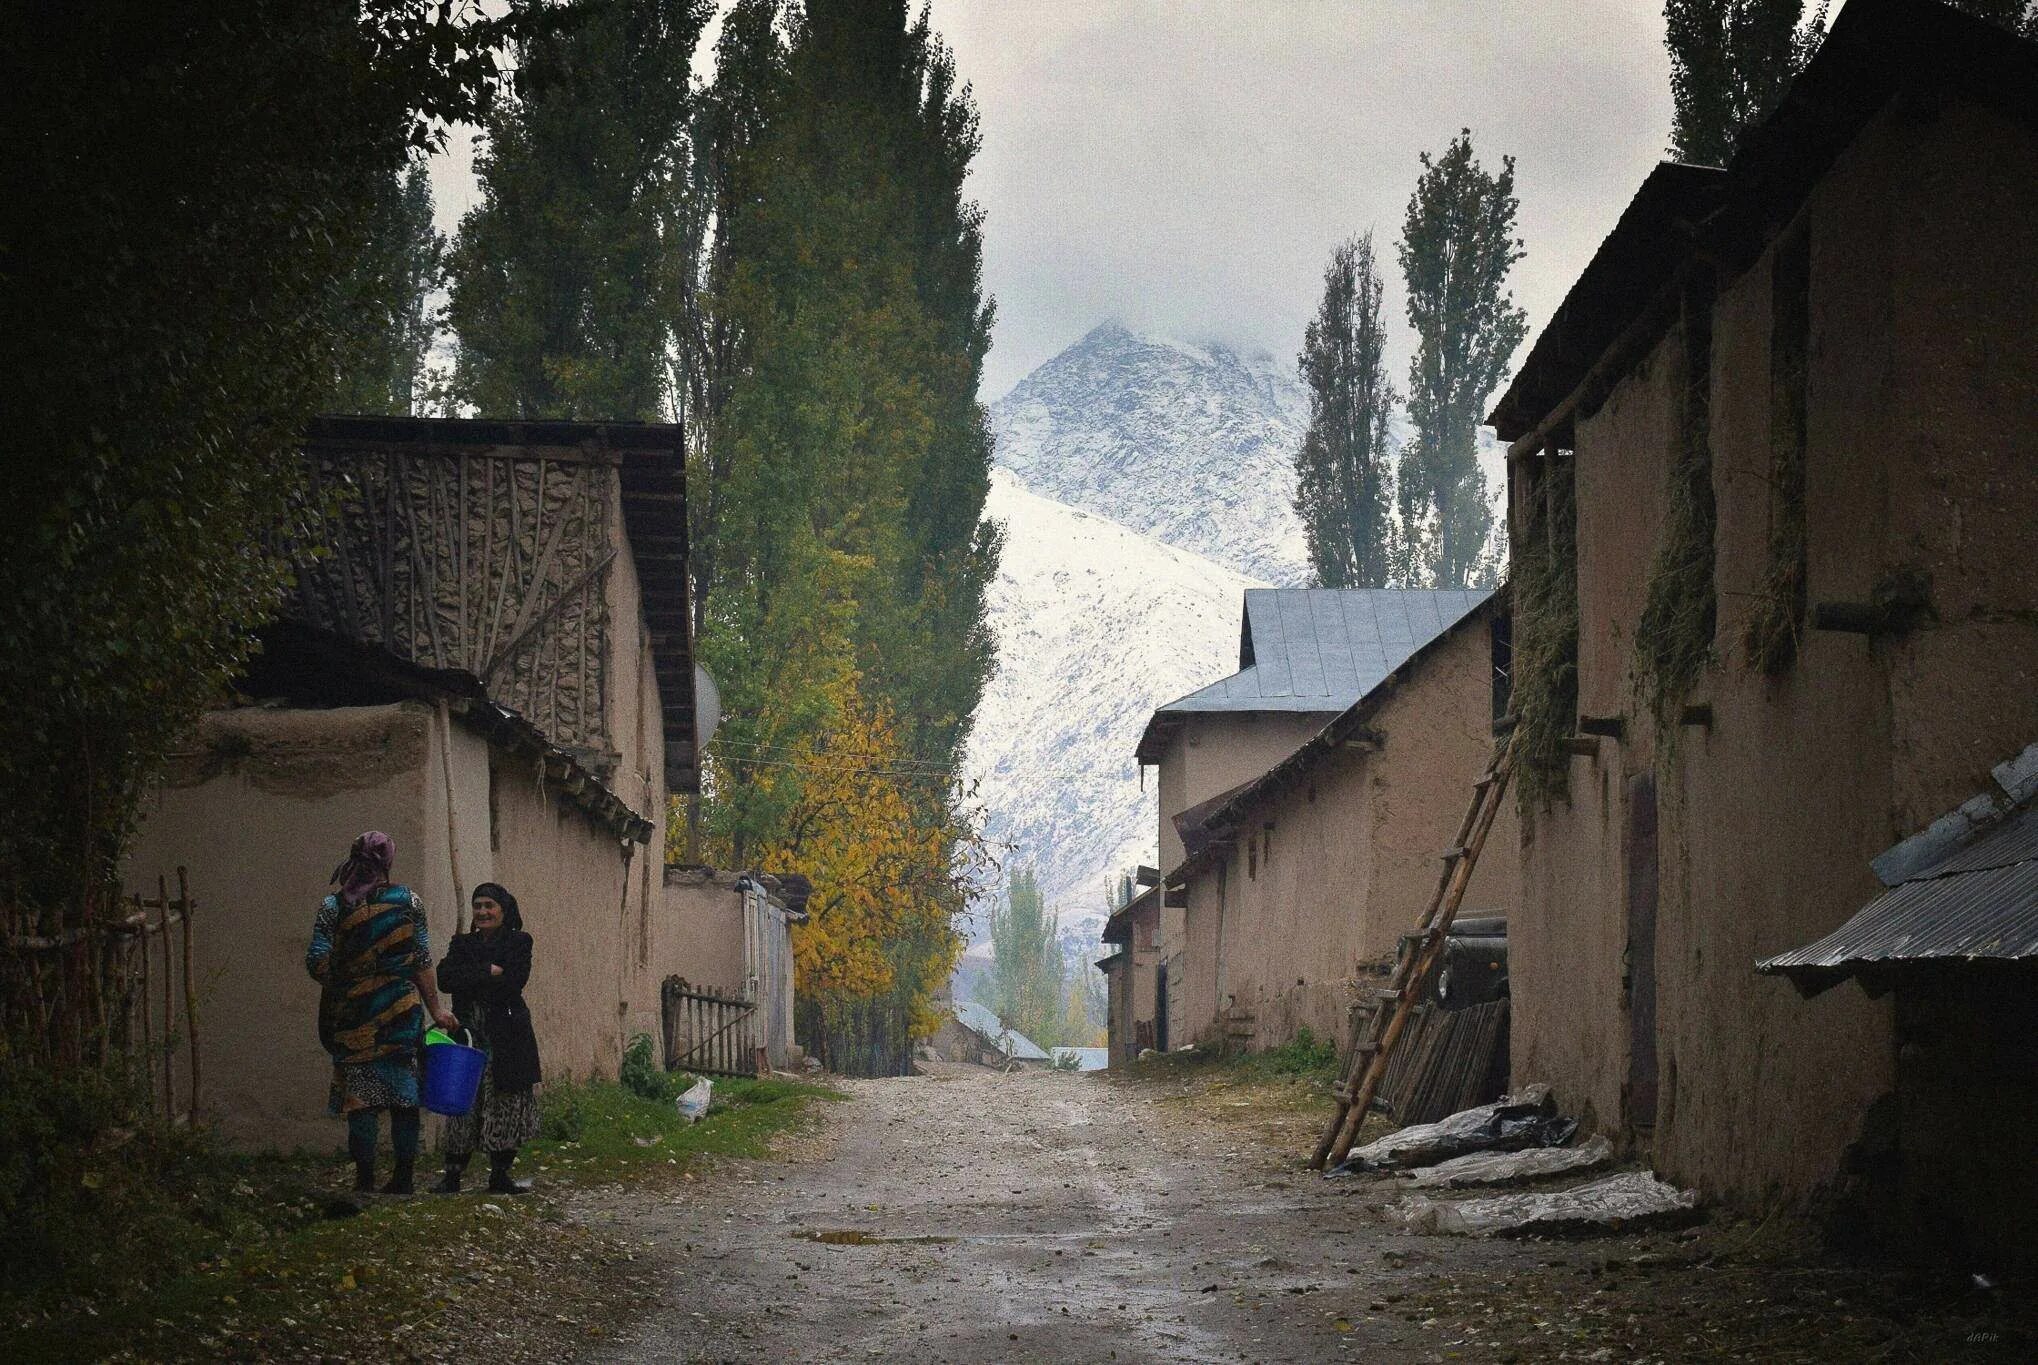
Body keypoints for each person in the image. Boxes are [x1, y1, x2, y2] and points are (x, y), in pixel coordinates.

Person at [306, 832, 457, 1195]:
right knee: (404, 1097)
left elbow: (316, 960)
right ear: (389, 863)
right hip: (401, 1014)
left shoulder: (334, 906)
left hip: (353, 1015)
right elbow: (421, 959)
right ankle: (403, 1178)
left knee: (361, 1099)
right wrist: (435, 1008)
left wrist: (345, 979)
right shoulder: (409, 902)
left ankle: (365, 1179)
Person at [433, 881, 542, 1195]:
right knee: (462, 1099)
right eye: (477, 906)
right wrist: (488, 970)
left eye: (488, 906)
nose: (482, 912)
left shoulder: (519, 942)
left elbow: (514, 982)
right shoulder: (462, 944)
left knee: (505, 1102)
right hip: (468, 1033)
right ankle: (452, 1175)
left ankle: (500, 1175)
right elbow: (445, 979)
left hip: (506, 1034)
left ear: (503, 911)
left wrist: (475, 976)